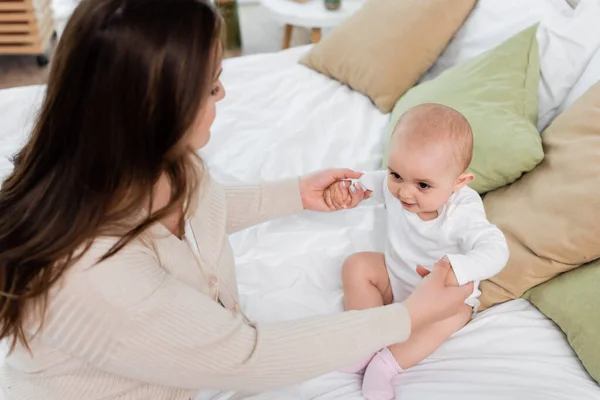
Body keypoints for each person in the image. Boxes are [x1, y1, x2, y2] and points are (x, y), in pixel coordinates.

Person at [0, 1, 474, 399]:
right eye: (210, 86)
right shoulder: (92, 272)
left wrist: (295, 194)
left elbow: (197, 211)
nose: (224, 93)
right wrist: (407, 317)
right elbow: (245, 355)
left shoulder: (159, 160)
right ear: (155, 109)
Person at [327, 103, 509, 400]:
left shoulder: (462, 210)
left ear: (458, 183)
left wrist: (458, 267)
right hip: (397, 278)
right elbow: (368, 185)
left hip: (439, 299)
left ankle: (386, 364)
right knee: (356, 265)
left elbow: (496, 249)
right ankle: (367, 338)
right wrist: (349, 189)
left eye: (423, 185)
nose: (404, 192)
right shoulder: (396, 186)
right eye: (396, 174)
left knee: (454, 315)